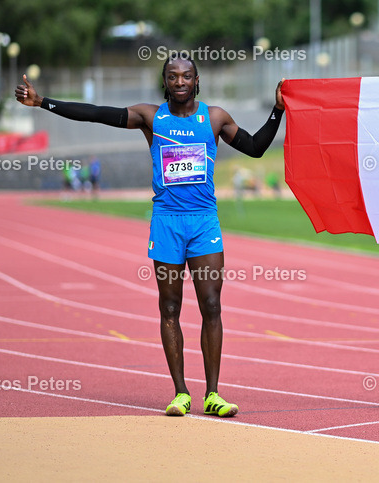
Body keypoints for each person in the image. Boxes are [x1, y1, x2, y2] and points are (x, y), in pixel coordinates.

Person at [15, 54, 285, 418]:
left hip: (204, 222)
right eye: (172, 77)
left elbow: (255, 148)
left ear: (197, 79)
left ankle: (214, 394)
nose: (179, 82)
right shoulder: (150, 117)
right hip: (167, 223)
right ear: (165, 82)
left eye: (186, 76)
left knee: (212, 306)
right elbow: (96, 113)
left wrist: (277, 110)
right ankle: (180, 393)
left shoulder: (216, 118)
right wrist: (42, 102)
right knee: (170, 307)